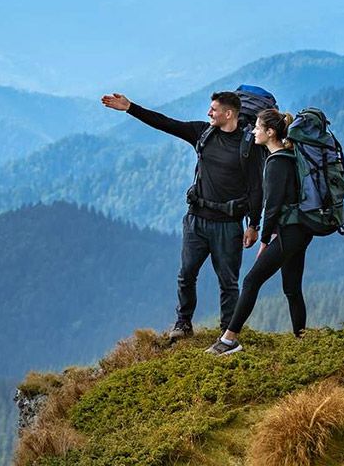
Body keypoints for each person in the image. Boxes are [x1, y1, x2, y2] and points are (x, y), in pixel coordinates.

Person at [101, 91, 265, 340]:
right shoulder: (203, 133)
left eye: (214, 109)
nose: (209, 113)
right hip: (196, 219)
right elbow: (166, 123)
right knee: (186, 275)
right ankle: (183, 324)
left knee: (228, 282)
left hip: (228, 225)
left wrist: (253, 225)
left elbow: (256, 187)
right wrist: (130, 107)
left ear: (229, 114)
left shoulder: (248, 146)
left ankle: (227, 333)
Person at [205, 108, 313, 355]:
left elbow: (272, 206)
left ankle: (229, 340)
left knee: (251, 280)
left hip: (288, 232)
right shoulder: (289, 157)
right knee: (292, 288)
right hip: (301, 230)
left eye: (257, 127)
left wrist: (264, 240)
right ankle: (303, 341)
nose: (253, 131)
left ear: (270, 132)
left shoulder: (276, 163)